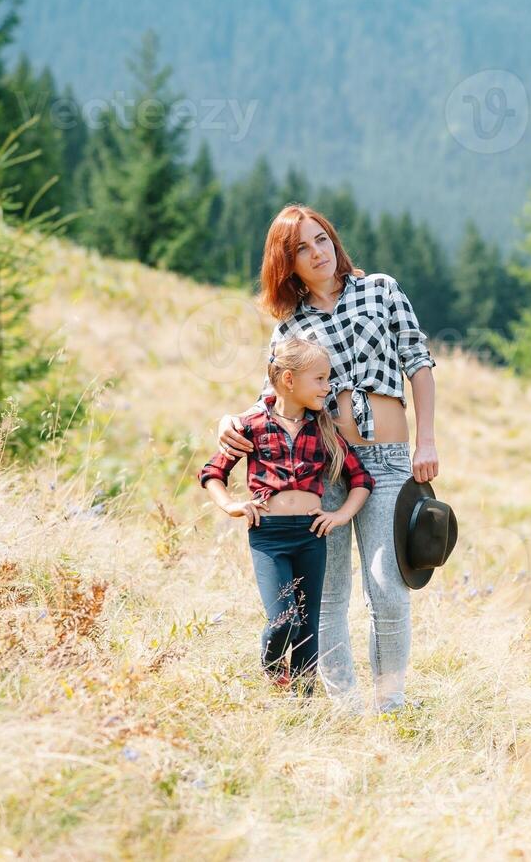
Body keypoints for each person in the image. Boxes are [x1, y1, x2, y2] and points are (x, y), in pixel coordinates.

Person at [216, 204, 439, 714]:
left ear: (334, 240)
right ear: (286, 263)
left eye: (321, 239)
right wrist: (226, 422)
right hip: (325, 466)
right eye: (301, 248)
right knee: (329, 596)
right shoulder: (290, 328)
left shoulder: (380, 290)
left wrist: (426, 441)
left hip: (386, 464)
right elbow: (272, 399)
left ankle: (391, 706)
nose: (317, 252)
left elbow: (419, 364)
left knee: (387, 589)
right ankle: (345, 708)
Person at [200, 336, 373, 693]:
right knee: (284, 620)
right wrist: (231, 505)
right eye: (320, 379)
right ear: (289, 380)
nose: (328, 387)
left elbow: (361, 479)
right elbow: (212, 473)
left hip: (311, 536)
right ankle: (272, 668)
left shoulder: (324, 429)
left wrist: (340, 515)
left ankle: (303, 706)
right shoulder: (251, 425)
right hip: (268, 536)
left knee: (308, 627)